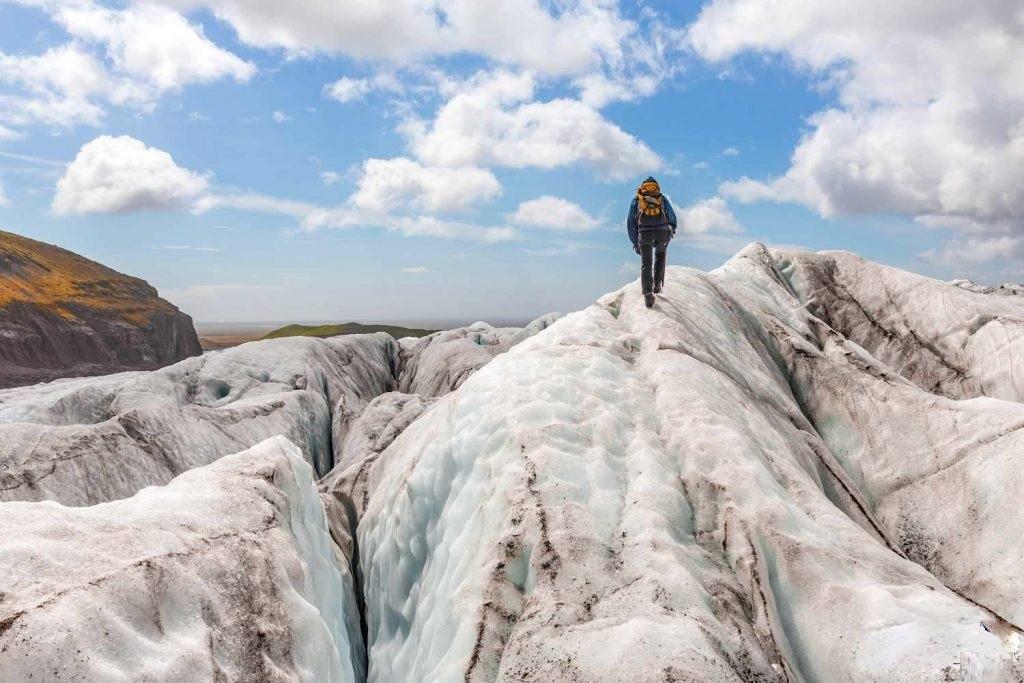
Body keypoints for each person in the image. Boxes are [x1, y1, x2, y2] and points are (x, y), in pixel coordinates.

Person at [627, 177, 677, 308]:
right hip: (662, 232)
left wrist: (635, 242)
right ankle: (657, 285)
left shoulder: (637, 199)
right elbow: (672, 216)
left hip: (645, 233)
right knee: (660, 256)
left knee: (646, 263)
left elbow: (630, 222)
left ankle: (648, 294)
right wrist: (672, 228)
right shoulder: (661, 198)